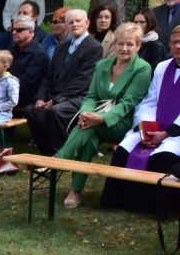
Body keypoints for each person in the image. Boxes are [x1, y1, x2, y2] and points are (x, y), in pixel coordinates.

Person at [54, 23, 152, 208]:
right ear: (114, 44)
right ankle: (75, 191)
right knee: (88, 138)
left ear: (138, 46)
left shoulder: (142, 68)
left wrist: (101, 118)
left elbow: (128, 103)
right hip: (95, 118)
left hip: (122, 121)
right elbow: (91, 96)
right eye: (120, 43)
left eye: (130, 44)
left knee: (90, 126)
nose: (124, 49)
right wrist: (85, 112)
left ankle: (59, 159)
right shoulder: (102, 65)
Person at [102, 27, 180, 216]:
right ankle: (120, 201)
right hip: (154, 128)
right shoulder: (162, 67)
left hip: (176, 133)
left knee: (163, 157)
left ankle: (157, 207)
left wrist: (166, 133)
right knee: (124, 149)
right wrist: (146, 128)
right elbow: (150, 100)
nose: (177, 46)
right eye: (174, 42)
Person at [24, 9, 102, 155]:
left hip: (79, 96)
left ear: (87, 23)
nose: (74, 24)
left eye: (78, 21)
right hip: (55, 95)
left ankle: (61, 152)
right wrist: (40, 98)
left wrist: (55, 100)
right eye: (70, 22)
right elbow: (48, 76)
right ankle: (46, 151)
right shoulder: (62, 48)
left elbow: (83, 80)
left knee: (56, 111)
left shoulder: (94, 47)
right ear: (66, 25)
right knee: (32, 110)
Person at [8, 15, 49, 112]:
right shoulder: (13, 49)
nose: (14, 32)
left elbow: (27, 82)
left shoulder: (39, 53)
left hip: (28, 96)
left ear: (30, 31)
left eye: (19, 30)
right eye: (13, 29)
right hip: (11, 92)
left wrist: (3, 89)